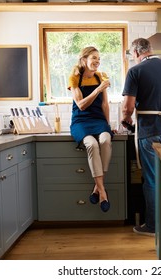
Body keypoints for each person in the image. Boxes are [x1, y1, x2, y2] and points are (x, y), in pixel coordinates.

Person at [121, 38, 161, 236]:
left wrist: (126, 119)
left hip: (150, 131)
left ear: (137, 53)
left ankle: (153, 226)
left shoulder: (135, 71)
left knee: (152, 179)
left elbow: (127, 107)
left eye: (132, 56)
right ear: (150, 50)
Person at [68, 46, 113, 212]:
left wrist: (108, 125)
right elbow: (81, 105)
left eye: (99, 58)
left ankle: (97, 187)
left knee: (105, 140)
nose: (97, 61)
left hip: (99, 120)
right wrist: (98, 89)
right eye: (94, 57)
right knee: (92, 144)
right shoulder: (74, 79)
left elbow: (105, 104)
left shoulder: (101, 77)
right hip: (81, 121)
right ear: (84, 60)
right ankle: (102, 192)